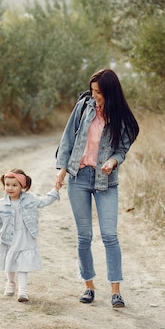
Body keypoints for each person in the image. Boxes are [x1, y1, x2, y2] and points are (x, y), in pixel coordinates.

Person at [55, 69, 139, 308]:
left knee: (110, 235)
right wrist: (62, 169)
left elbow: (121, 150)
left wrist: (113, 161)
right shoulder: (84, 106)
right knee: (84, 236)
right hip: (79, 177)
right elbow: (68, 138)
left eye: (99, 92)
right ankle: (88, 286)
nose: (94, 96)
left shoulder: (120, 117)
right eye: (92, 91)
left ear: (110, 93)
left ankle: (116, 292)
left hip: (106, 182)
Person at [0, 168, 60, 302]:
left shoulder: (30, 199)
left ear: (23, 186)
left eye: (14, 185)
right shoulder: (1, 204)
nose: (10, 188)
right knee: (10, 261)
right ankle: (10, 282)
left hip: (25, 236)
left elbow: (43, 201)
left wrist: (55, 191)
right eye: (7, 184)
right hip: (9, 237)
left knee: (22, 263)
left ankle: (23, 290)